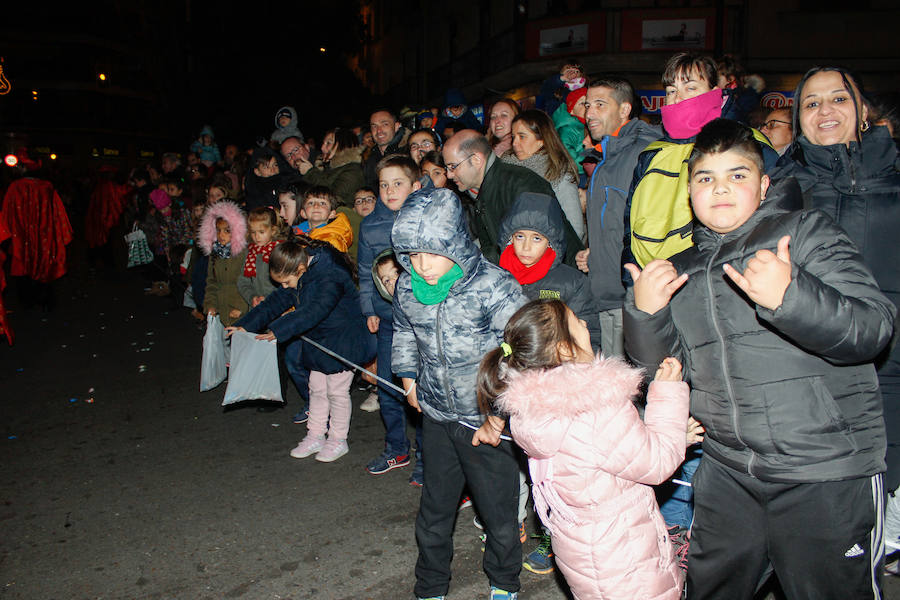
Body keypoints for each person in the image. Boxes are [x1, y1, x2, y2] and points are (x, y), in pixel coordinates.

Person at [623, 118, 895, 600]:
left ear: (764, 184)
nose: (720, 188)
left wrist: (792, 298)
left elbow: (873, 329)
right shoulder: (681, 268)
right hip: (727, 470)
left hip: (823, 470)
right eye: (705, 178)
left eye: (737, 175)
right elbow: (667, 375)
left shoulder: (804, 232)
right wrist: (646, 316)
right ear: (690, 193)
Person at [772, 66, 900, 558]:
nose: (825, 110)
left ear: (862, 110)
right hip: (810, 356)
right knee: (826, 503)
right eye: (811, 103)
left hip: (891, 359)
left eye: (839, 98)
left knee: (886, 479)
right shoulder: (782, 185)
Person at [479, 300, 688, 600]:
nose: (585, 324)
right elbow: (657, 464)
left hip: (580, 549)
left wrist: (673, 434)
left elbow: (600, 455)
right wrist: (668, 395)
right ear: (565, 349)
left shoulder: (529, 410)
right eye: (577, 321)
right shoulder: (596, 408)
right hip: (623, 552)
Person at [390, 186, 527, 600]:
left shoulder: (492, 285)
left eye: (432, 253)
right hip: (436, 416)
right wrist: (409, 379)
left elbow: (522, 352)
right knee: (434, 510)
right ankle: (431, 585)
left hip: (485, 421)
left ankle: (504, 581)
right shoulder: (408, 286)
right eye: (412, 254)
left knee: (498, 512)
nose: (422, 265)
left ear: (455, 243)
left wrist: (498, 415)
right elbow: (404, 332)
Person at [623, 51, 778, 270]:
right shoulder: (652, 154)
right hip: (653, 279)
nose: (678, 98)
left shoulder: (748, 143)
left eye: (691, 88)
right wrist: (633, 279)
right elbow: (630, 226)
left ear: (714, 93)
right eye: (671, 91)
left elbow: (775, 214)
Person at [229, 238, 374, 463]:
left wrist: (279, 330)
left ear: (300, 268)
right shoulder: (300, 272)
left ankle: (338, 439)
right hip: (319, 338)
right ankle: (315, 435)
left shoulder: (331, 274)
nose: (285, 287)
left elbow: (315, 310)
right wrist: (245, 325)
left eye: (287, 282)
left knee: (336, 392)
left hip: (344, 339)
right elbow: (276, 301)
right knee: (317, 388)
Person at [575, 76, 661, 358]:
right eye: (588, 105)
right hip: (607, 294)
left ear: (624, 110)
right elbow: (613, 221)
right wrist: (595, 252)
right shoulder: (606, 156)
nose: (589, 113)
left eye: (600, 105)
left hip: (630, 296)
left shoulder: (642, 153)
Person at [358, 154, 429, 484]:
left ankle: (427, 457)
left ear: (415, 186)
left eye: (397, 183)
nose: (389, 191)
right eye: (384, 185)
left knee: (423, 389)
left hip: (423, 318)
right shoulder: (370, 224)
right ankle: (397, 448)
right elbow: (364, 271)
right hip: (387, 318)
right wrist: (369, 309)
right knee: (388, 385)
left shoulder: (427, 217)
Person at [442, 130, 583, 265]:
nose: (449, 175)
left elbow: (533, 254)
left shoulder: (522, 185)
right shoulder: (485, 190)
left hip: (555, 277)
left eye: (453, 166)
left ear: (476, 160)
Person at [502, 110, 584, 241]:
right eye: (513, 137)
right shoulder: (505, 169)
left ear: (541, 140)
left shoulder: (558, 174)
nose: (514, 143)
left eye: (522, 136)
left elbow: (575, 230)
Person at [198, 200, 249, 327]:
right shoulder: (216, 253)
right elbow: (212, 282)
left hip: (241, 311)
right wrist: (210, 305)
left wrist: (243, 306)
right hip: (223, 310)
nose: (221, 235)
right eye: (218, 230)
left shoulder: (245, 254)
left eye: (227, 231)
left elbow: (250, 283)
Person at [237, 207, 281, 309]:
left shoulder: (279, 252)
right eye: (253, 232)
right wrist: (252, 297)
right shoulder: (251, 252)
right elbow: (243, 281)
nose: (257, 237)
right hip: (255, 307)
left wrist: (268, 298)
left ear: (273, 230)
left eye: (261, 232)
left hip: (276, 306)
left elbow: (284, 283)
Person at [292, 186, 353, 254]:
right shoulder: (294, 233)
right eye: (311, 203)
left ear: (331, 214)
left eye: (322, 203)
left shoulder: (333, 240)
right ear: (303, 213)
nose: (316, 206)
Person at [364, 109, 410, 188]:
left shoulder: (408, 153)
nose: (379, 130)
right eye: (374, 126)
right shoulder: (370, 157)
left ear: (396, 126)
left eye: (385, 124)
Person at [551, 88, 588, 176]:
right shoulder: (568, 129)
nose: (587, 107)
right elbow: (568, 156)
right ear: (571, 110)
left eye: (588, 103)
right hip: (576, 174)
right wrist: (588, 165)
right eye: (582, 103)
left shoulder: (585, 125)